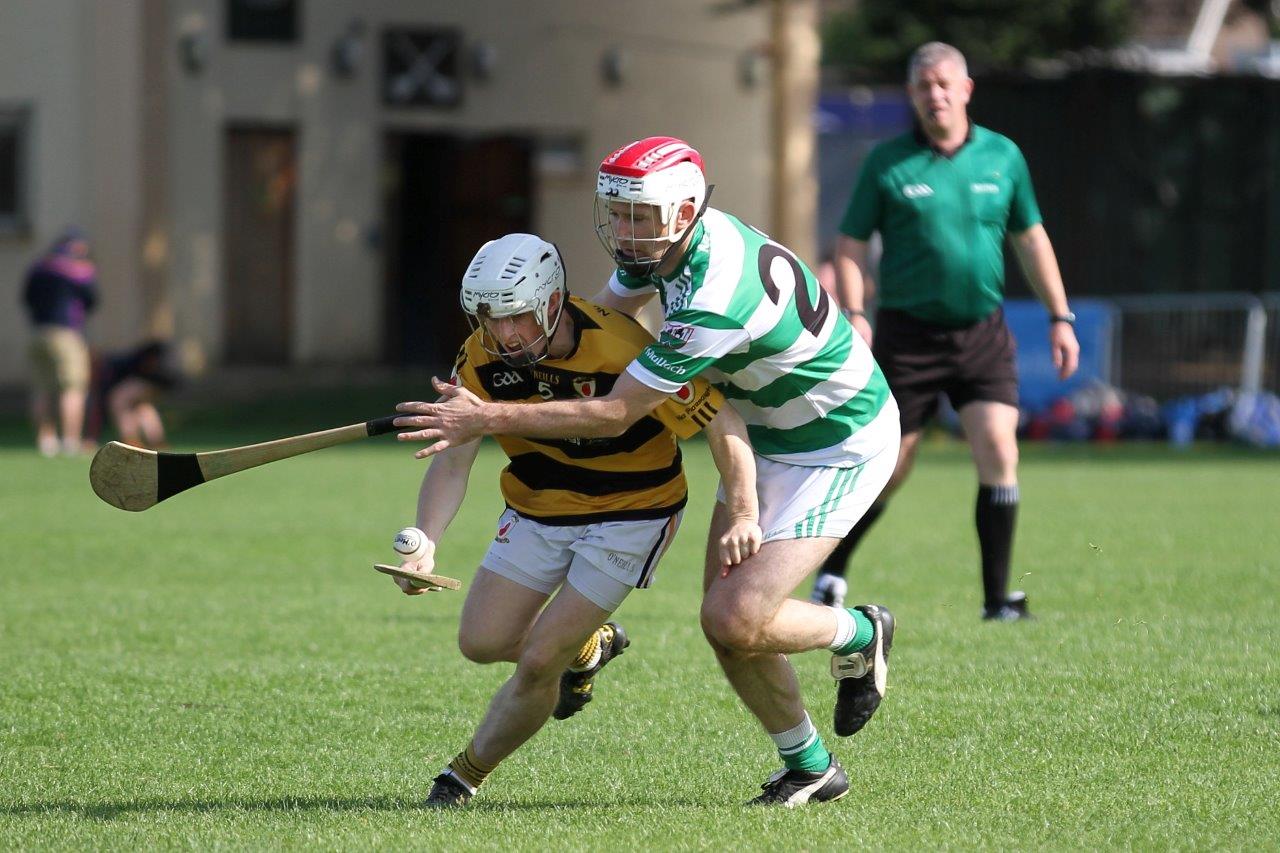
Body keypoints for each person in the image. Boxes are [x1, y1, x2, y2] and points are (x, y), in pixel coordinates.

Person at [396, 138, 901, 806]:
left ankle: (862, 632)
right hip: (761, 431)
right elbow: (603, 323)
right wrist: (501, 373)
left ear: (686, 209)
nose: (624, 231)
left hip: (835, 440)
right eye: (617, 212)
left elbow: (614, 410)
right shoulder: (665, 243)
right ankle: (809, 766)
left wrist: (488, 417)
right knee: (727, 626)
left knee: (737, 615)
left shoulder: (712, 295)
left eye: (639, 216)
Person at [391, 233, 762, 808]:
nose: (502, 334)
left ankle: (463, 776)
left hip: (633, 512)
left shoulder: (621, 346)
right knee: (481, 642)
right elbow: (454, 457)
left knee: (541, 658)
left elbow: (722, 422)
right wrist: (428, 544)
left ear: (552, 300)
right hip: (539, 508)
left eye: (515, 317)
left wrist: (742, 508)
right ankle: (589, 647)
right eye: (487, 318)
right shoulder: (481, 357)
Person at [811, 42, 1080, 621]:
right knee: (890, 469)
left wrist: (1061, 316)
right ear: (912, 95)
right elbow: (851, 244)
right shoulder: (888, 164)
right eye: (923, 85)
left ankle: (997, 601)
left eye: (943, 83)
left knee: (999, 449)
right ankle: (832, 569)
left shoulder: (1003, 157)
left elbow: (1031, 239)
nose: (934, 94)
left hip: (982, 333)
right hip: (908, 339)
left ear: (965, 90)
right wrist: (857, 313)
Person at [21, 228, 98, 456]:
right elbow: (92, 299)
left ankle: (46, 441)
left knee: (41, 389)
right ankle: (70, 441)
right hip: (66, 334)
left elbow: (27, 298)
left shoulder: (38, 268)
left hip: (37, 333)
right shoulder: (78, 271)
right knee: (72, 388)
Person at [84, 340, 179, 449]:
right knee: (142, 407)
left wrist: (91, 437)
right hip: (154, 383)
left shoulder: (107, 370)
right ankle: (157, 442)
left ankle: (131, 441)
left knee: (119, 401)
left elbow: (100, 406)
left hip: (150, 381)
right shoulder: (118, 365)